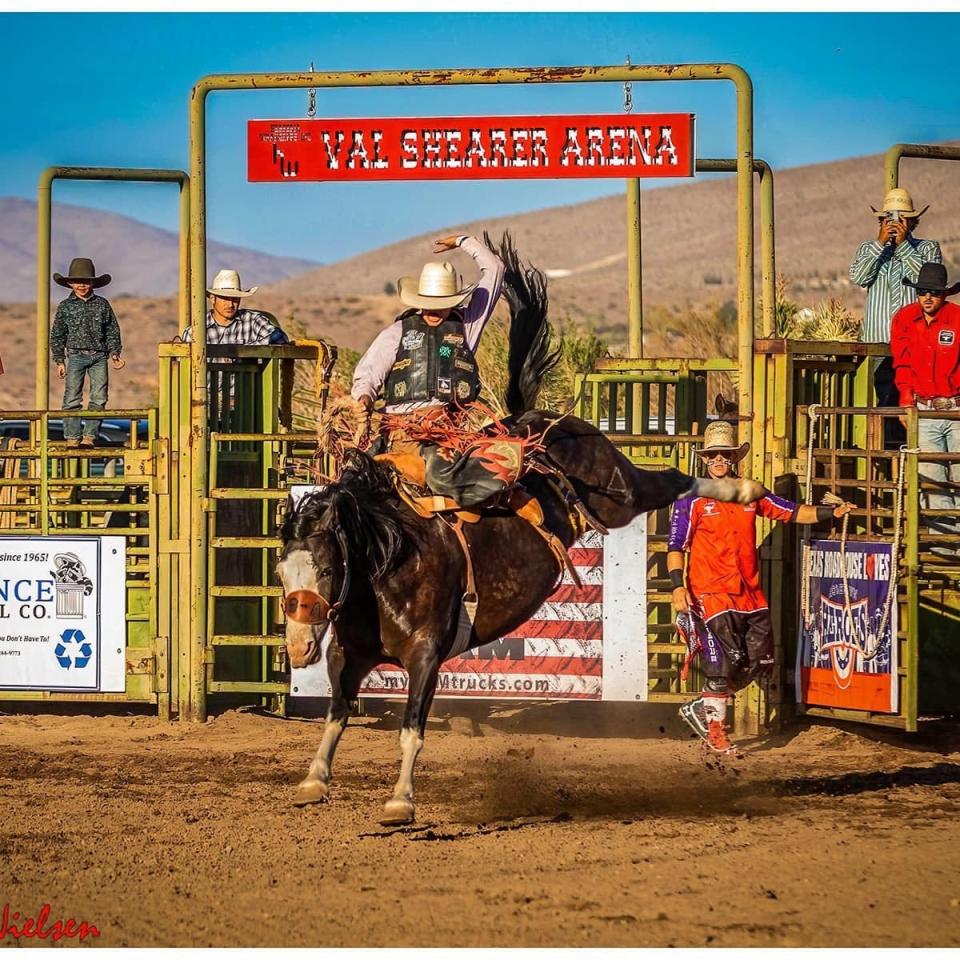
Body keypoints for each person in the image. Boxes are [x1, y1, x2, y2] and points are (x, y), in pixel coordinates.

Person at [668, 420, 852, 754]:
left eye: (724, 454)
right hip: (710, 590)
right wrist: (677, 587)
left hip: (749, 591)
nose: (719, 460)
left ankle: (705, 703)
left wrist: (832, 512)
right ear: (705, 460)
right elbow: (676, 546)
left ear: (733, 457)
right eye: (713, 455)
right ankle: (716, 729)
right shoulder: (691, 498)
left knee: (760, 662)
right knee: (723, 663)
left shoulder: (750, 492)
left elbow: (791, 512)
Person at [350, 234, 510, 509]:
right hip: (397, 432)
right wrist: (364, 397)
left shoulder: (468, 326)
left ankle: (496, 504)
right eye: (429, 303)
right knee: (351, 480)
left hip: (441, 433)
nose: (433, 311)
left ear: (453, 301)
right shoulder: (398, 331)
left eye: (440, 304)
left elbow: (494, 270)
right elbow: (368, 373)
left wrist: (464, 242)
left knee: (440, 476)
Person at [849, 187, 941, 449]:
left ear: (912, 222)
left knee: (911, 402)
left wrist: (902, 247)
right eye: (888, 220)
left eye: (901, 219)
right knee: (881, 402)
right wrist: (880, 245)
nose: (894, 225)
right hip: (877, 345)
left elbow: (927, 280)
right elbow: (859, 277)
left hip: (915, 345)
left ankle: (910, 455)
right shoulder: (868, 248)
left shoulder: (928, 248)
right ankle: (883, 457)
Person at [890, 262, 960, 552]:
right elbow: (902, 363)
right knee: (932, 482)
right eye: (922, 292)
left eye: (933, 292)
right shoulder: (904, 319)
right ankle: (945, 550)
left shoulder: (957, 318)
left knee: (958, 478)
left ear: (944, 294)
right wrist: (907, 399)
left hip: (956, 409)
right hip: (923, 408)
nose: (927, 297)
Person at [50, 258, 125, 448]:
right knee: (72, 397)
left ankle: (90, 436)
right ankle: (72, 437)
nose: (82, 285)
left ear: (93, 283)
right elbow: (57, 334)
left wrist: (115, 353)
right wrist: (59, 360)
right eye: (77, 281)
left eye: (86, 281)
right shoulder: (65, 306)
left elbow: (112, 330)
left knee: (99, 396)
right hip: (75, 355)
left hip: (99, 356)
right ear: (70, 283)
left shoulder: (102, 304)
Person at [179, 269, 289, 345]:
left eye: (235, 299)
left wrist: (246, 351)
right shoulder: (197, 330)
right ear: (213, 299)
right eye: (225, 299)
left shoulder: (251, 320)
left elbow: (280, 337)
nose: (230, 304)